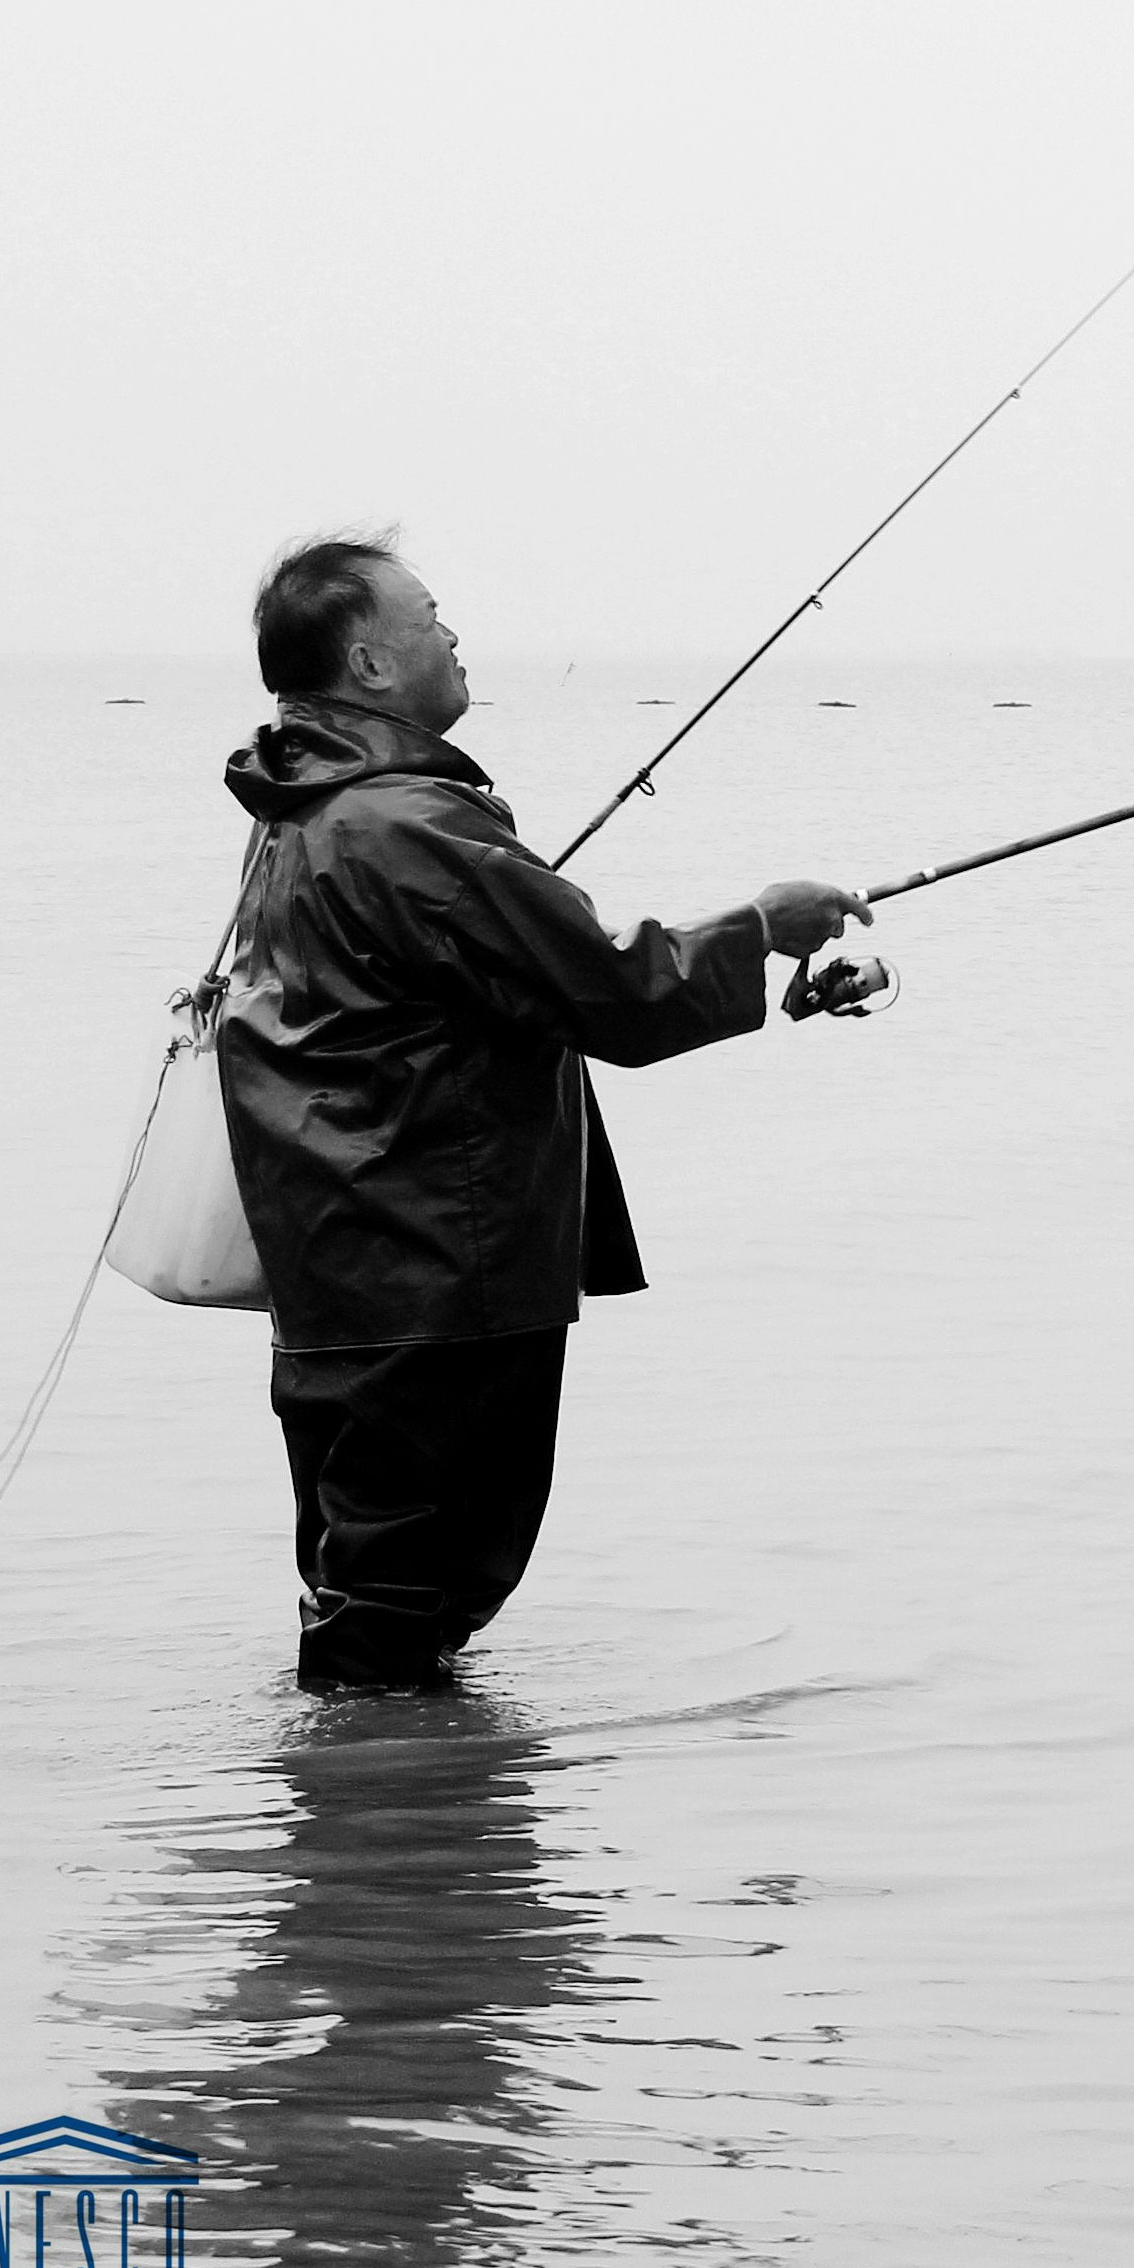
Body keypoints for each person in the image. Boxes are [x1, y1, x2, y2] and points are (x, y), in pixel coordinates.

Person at [212, 536, 866, 1692]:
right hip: (431, 1263)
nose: (453, 635)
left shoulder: (306, 813)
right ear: (368, 663)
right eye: (429, 617)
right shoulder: (402, 824)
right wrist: (763, 925)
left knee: (373, 1576)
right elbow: (615, 991)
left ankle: (385, 1823)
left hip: (347, 1259)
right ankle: (382, 1824)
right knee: (410, 1585)